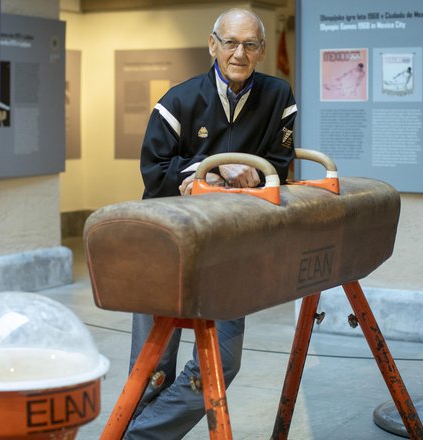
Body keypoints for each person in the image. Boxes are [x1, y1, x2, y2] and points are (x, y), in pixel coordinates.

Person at [126, 8, 297, 439]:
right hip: (165, 243)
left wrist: (253, 173)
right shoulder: (177, 101)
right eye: (231, 43)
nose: (239, 53)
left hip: (229, 249)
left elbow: (280, 166)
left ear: (260, 50)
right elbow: (154, 172)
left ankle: (137, 437)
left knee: (223, 362)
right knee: (153, 368)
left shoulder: (279, 97)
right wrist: (211, 172)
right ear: (212, 45)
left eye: (250, 44)